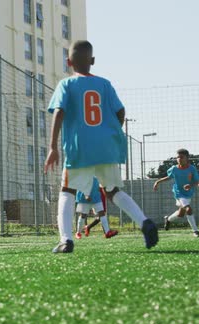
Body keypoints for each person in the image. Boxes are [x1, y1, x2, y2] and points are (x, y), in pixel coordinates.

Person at [44, 40, 158, 253]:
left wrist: (53, 147)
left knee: (67, 190)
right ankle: (145, 222)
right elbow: (120, 112)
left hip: (80, 149)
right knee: (113, 191)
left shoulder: (66, 84)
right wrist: (109, 134)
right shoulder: (105, 84)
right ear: (93, 61)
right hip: (106, 147)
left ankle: (66, 240)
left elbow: (58, 112)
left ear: (68, 62)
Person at [153, 149, 199, 237]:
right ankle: (195, 231)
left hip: (188, 194)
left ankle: (168, 220)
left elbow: (197, 181)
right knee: (188, 209)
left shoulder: (192, 169)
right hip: (178, 193)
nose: (179, 159)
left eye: (181, 157)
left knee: (180, 214)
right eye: (178, 157)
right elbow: (169, 177)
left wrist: (190, 185)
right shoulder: (174, 169)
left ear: (187, 158)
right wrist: (158, 182)